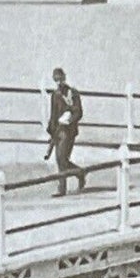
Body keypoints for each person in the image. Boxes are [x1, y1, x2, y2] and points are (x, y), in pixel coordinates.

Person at [46, 67, 86, 196]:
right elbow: (53, 115)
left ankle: (63, 187)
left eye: (60, 79)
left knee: (62, 158)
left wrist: (69, 119)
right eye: (56, 80)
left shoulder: (73, 93)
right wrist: (51, 132)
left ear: (64, 78)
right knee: (60, 159)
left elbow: (79, 112)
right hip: (58, 131)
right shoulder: (55, 95)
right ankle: (78, 173)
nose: (58, 83)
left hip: (69, 130)